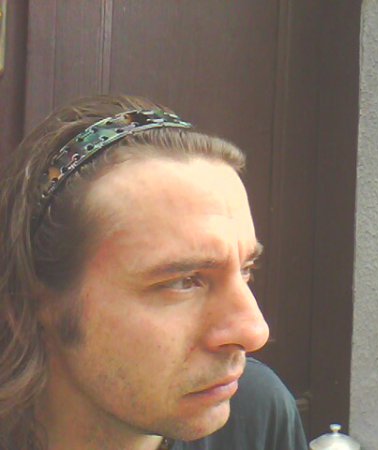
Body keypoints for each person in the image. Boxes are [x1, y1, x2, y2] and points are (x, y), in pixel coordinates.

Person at [0, 95, 308, 450]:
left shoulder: (255, 412)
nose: (254, 331)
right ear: (36, 300)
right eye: (184, 282)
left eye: (246, 270)